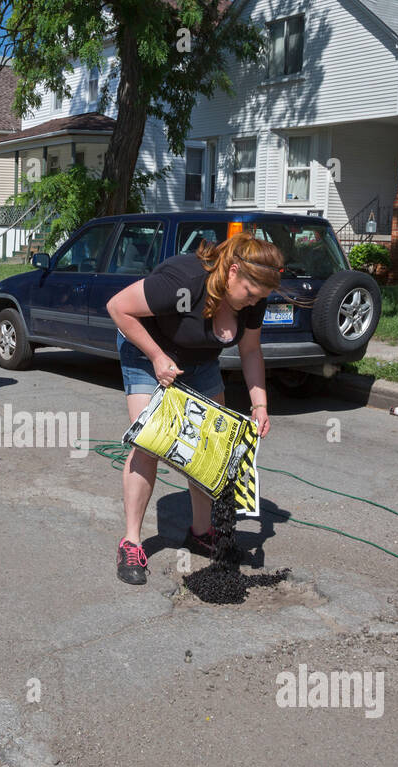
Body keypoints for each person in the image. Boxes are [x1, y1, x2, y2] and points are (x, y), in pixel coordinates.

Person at [106, 232, 283, 585]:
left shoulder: (253, 298)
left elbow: (250, 350)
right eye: (250, 294)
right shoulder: (183, 280)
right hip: (146, 353)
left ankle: (201, 531)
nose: (253, 303)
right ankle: (131, 542)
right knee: (150, 442)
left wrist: (259, 403)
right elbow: (118, 308)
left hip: (200, 363)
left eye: (259, 298)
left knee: (208, 448)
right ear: (232, 272)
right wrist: (157, 357)